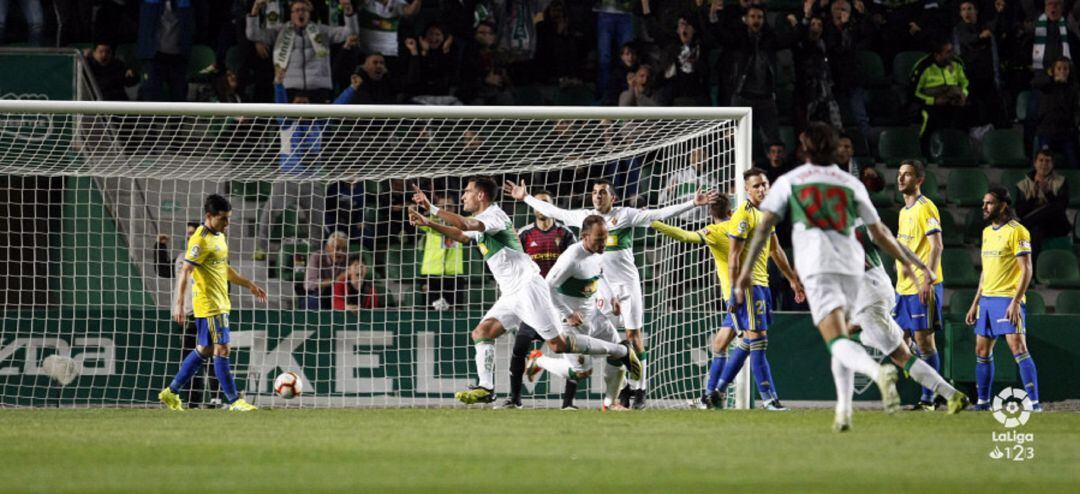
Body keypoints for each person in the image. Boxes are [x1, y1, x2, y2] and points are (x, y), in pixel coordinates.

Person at [734, 122, 928, 431]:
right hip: (855, 268)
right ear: (836, 148)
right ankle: (844, 410)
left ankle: (878, 373)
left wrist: (744, 272)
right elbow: (880, 233)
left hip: (818, 268)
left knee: (836, 340)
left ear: (804, 149)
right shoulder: (848, 182)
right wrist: (914, 264)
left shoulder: (790, 180)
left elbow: (764, 228)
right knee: (848, 334)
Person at [408, 178, 641, 406]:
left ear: (481, 195)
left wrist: (432, 208)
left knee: (558, 345)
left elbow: (466, 225)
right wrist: (429, 223)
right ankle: (487, 388)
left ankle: (620, 350)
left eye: (467, 191)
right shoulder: (482, 221)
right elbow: (461, 234)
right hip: (511, 293)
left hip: (528, 287)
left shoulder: (494, 216)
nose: (463, 196)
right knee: (482, 332)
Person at [505, 178, 719, 409]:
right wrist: (525, 197)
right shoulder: (584, 219)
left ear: (613, 198)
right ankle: (606, 387)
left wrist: (692, 203)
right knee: (598, 357)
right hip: (601, 286)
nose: (598, 196)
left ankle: (637, 390)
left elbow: (657, 214)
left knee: (633, 338)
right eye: (595, 192)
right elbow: (555, 211)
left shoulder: (625, 215)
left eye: (603, 192)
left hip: (626, 285)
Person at [701, 168, 805, 411]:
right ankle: (770, 398)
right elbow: (734, 257)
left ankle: (718, 390)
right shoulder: (742, 216)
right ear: (746, 190)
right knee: (758, 340)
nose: (761, 189)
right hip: (748, 287)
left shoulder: (766, 214)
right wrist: (737, 288)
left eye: (764, 184)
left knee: (749, 341)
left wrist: (792, 279)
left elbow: (775, 249)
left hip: (763, 284)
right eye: (756, 186)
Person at [159, 194, 268, 412]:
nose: (227, 224)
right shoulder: (199, 240)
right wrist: (179, 304)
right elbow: (185, 271)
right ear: (209, 216)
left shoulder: (219, 236)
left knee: (205, 349)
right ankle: (234, 400)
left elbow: (223, 269)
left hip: (220, 301)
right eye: (223, 219)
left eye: (228, 218)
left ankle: (171, 392)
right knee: (222, 349)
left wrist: (249, 284)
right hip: (210, 304)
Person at [849, 222, 970, 416]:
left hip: (866, 299)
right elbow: (895, 244)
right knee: (846, 331)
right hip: (881, 289)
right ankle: (906, 346)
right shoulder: (858, 221)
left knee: (900, 357)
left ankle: (952, 395)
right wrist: (921, 266)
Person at [525, 216, 629, 411]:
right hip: (571, 323)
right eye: (599, 239)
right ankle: (538, 360)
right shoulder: (571, 258)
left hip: (595, 316)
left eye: (605, 238)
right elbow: (547, 286)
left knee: (619, 353)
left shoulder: (599, 251)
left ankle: (611, 403)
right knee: (582, 372)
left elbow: (601, 273)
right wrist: (567, 313)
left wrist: (612, 296)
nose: (603, 243)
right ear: (584, 236)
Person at [254, 67, 359, 260]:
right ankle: (263, 248)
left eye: (306, 103)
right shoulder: (286, 122)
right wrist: (278, 84)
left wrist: (351, 88)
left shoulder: (319, 125)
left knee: (317, 223)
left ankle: (315, 255)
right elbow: (280, 103)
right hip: (288, 178)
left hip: (313, 180)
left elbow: (337, 107)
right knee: (269, 213)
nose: (302, 106)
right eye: (298, 103)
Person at [650, 196, 737, 408]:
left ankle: (759, 395)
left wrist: (654, 222)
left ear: (709, 214)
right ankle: (710, 397)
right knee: (719, 345)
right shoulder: (739, 227)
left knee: (751, 344)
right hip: (743, 294)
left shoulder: (715, 232)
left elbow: (684, 235)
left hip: (738, 296)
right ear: (730, 211)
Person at [497, 191, 578, 409]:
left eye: (546, 203)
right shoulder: (524, 234)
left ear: (553, 206)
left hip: (560, 302)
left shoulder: (565, 233)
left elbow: (576, 265)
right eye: (538, 203)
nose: (541, 207)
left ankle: (568, 403)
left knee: (569, 350)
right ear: (532, 208)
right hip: (533, 301)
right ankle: (515, 399)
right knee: (520, 345)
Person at [965, 186, 1041, 412]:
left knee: (1018, 347)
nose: (984, 207)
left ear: (1003, 205)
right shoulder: (987, 232)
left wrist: (1016, 301)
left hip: (1007, 299)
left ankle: (1035, 404)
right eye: (984, 203)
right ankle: (983, 402)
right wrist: (975, 302)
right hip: (986, 300)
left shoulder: (1017, 231)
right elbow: (986, 272)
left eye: (989, 203)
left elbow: (1027, 269)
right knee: (981, 351)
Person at [892, 160, 945, 410]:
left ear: (919, 180)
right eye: (900, 174)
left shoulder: (927, 207)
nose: (901, 179)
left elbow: (937, 246)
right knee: (897, 341)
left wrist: (928, 280)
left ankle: (929, 399)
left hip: (922, 287)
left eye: (908, 175)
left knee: (925, 343)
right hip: (903, 288)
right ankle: (932, 380)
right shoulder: (904, 213)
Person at [246, 0, 359, 103]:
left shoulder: (322, 31)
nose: (300, 13)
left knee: (321, 125)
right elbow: (253, 34)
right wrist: (255, 9)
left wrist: (348, 10)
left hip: (318, 88)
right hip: (290, 88)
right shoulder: (280, 31)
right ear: (291, 14)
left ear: (309, 13)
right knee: (289, 125)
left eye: (304, 10)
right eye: (297, 10)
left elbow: (350, 32)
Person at [171, 221, 219, 408]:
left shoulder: (211, 256)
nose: (190, 236)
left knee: (210, 356)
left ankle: (216, 398)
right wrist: (160, 247)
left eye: (194, 233)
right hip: (184, 316)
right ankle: (192, 400)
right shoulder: (182, 257)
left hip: (204, 314)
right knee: (189, 360)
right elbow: (163, 270)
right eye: (188, 233)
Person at [911, 39, 969, 155]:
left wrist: (963, 95)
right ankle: (925, 153)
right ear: (937, 55)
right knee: (930, 118)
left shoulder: (957, 63)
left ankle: (960, 152)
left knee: (966, 114)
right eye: (948, 52)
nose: (952, 54)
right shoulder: (923, 67)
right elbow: (913, 93)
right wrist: (934, 101)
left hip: (953, 98)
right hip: (930, 102)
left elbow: (965, 83)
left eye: (952, 51)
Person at [136, 0, 195, 102]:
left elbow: (196, 22)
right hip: (153, 56)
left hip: (178, 57)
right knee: (150, 95)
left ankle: (178, 118)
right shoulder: (149, 3)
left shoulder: (186, 3)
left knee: (179, 96)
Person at [1015, 150, 1071, 256]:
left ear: (1052, 164)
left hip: (1056, 224)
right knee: (1036, 230)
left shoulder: (1061, 181)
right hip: (1036, 226)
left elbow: (1061, 207)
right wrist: (1032, 197)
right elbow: (1020, 212)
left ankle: (1024, 225)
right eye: (1041, 160)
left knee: (1052, 208)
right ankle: (1034, 267)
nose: (1044, 164)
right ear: (1035, 163)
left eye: (1047, 161)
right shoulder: (1023, 185)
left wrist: (1048, 193)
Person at [418, 194, 465, 310]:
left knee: (456, 313)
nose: (446, 209)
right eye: (442, 206)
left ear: (455, 208)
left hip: (454, 275)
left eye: (450, 206)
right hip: (431, 274)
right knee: (429, 313)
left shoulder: (462, 224)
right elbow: (418, 221)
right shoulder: (430, 223)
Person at [1033, 57, 1080, 169]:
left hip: (1066, 133)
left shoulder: (1073, 88)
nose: (1062, 72)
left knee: (1074, 162)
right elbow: (1036, 83)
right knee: (1043, 163)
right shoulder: (1046, 85)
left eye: (1065, 69)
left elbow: (1076, 109)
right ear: (1053, 70)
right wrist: (1051, 78)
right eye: (1059, 68)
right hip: (1047, 131)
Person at [355, 0, 421, 70]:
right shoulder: (366, 2)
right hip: (366, 52)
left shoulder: (397, 2)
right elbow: (353, 4)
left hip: (389, 54)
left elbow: (410, 12)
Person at [304, 231, 349, 309]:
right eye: (337, 248)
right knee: (313, 302)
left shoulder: (348, 260)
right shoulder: (316, 257)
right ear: (327, 248)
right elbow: (309, 284)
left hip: (337, 295)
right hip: (318, 295)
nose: (341, 252)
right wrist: (335, 280)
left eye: (344, 249)